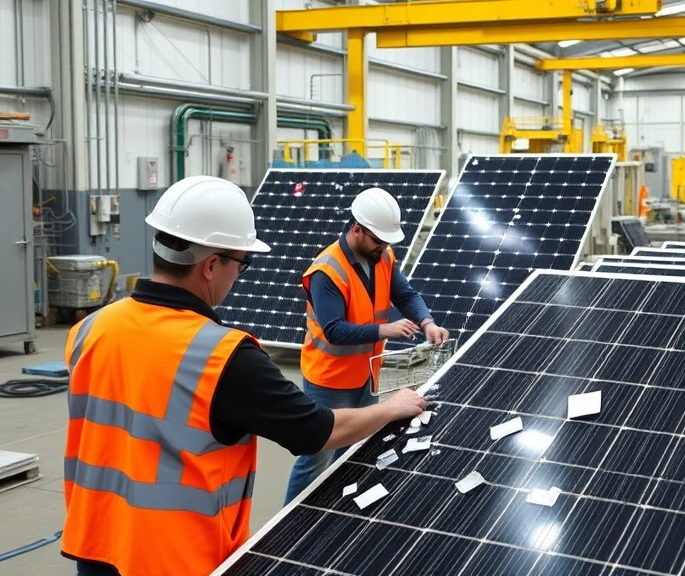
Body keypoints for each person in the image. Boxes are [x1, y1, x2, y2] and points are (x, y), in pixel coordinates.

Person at [61, 176, 425, 576]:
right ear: (212, 265)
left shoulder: (90, 329)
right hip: (175, 558)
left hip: (95, 544)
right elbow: (315, 431)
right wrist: (392, 408)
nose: (239, 275)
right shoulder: (224, 356)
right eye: (241, 263)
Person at [285, 187, 449, 504]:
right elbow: (334, 330)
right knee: (316, 456)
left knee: (354, 449)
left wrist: (427, 322)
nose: (383, 247)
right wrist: (385, 329)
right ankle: (286, 521)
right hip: (329, 381)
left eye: (386, 241)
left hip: (365, 375)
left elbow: (405, 295)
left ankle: (340, 508)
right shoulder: (327, 271)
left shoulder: (382, 255)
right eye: (377, 240)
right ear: (357, 229)